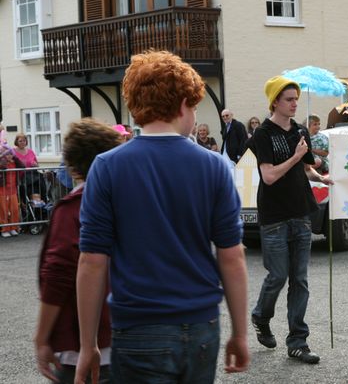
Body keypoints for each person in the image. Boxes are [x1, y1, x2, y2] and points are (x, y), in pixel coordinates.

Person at [75, 51, 249, 383]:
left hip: (138, 328)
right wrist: (240, 333)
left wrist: (88, 345)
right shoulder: (214, 166)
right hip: (201, 326)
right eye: (195, 107)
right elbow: (232, 256)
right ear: (183, 103)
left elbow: (92, 262)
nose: (195, 116)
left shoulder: (107, 167)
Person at [251, 76, 331, 364]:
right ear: (275, 102)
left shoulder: (299, 130)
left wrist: (322, 177)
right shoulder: (263, 133)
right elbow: (269, 176)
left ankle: (298, 342)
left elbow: (306, 170)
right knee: (278, 276)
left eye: (296, 98)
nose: (294, 103)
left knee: (300, 279)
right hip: (274, 216)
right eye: (288, 99)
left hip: (301, 212)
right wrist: (297, 157)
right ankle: (261, 316)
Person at [34, 119, 121, 384]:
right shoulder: (128, 201)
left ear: (72, 165)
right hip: (134, 338)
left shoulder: (72, 208)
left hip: (87, 345)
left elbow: (58, 275)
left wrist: (41, 337)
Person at [0, 145, 22, 237]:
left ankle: (13, 228)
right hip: (3, 190)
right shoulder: (2, 162)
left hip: (13, 190)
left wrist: (16, 157)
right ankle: (5, 229)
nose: (9, 156)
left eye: (10, 154)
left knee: (14, 209)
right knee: (3, 210)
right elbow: (2, 166)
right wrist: (2, 158)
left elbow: (22, 166)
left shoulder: (15, 162)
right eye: (7, 154)